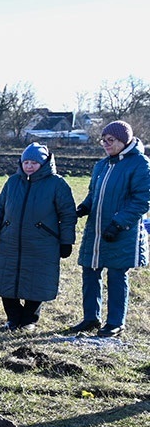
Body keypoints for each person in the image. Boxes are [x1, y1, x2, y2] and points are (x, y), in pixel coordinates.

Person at [70, 120, 150, 338]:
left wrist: (118, 224)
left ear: (124, 141)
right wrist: (84, 207)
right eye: (103, 140)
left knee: (116, 275)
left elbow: (142, 200)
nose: (106, 144)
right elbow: (94, 194)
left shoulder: (140, 164)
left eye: (110, 140)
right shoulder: (102, 165)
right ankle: (91, 318)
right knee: (90, 271)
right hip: (95, 230)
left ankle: (115, 322)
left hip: (122, 232)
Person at [0, 143, 76, 331]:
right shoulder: (12, 182)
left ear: (44, 163)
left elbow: (67, 215)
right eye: (26, 161)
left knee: (38, 282)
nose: (29, 166)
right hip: (9, 241)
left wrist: (67, 241)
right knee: (6, 281)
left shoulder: (57, 184)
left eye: (34, 162)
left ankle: (29, 320)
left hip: (42, 244)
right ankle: (13, 318)